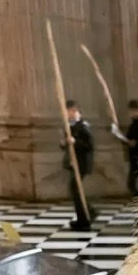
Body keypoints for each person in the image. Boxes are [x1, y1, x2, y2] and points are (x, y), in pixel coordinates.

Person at [60, 99, 94, 231]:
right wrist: (64, 143)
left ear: (77, 112)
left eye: (72, 111)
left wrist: (75, 141)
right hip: (73, 163)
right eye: (68, 111)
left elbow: (89, 146)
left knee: (76, 191)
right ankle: (86, 214)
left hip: (82, 163)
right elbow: (66, 146)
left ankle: (85, 219)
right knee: (75, 192)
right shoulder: (68, 126)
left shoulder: (83, 126)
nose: (70, 114)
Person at [110, 99, 138, 197]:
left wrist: (131, 142)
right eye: (131, 111)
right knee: (133, 184)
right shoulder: (134, 124)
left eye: (135, 111)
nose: (132, 113)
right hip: (134, 156)